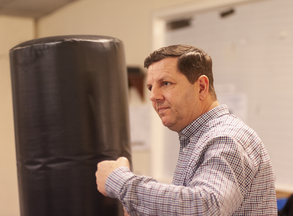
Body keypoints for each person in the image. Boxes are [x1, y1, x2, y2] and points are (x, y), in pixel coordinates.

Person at [96, 45, 277, 215]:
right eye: (151, 87)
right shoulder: (197, 138)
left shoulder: (227, 136)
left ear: (201, 87)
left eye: (165, 83)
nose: (153, 96)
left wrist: (120, 181)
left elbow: (206, 207)